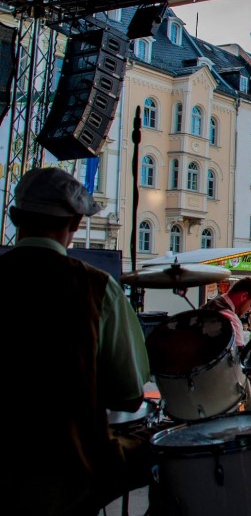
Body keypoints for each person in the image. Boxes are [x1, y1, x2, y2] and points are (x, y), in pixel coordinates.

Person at [3, 167, 151, 515]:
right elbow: (129, 394)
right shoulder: (97, 288)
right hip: (69, 472)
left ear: (14, 217)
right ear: (74, 223)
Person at [203, 277, 251, 347]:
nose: (249, 310)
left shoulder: (208, 305)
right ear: (244, 296)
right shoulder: (231, 320)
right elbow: (238, 356)